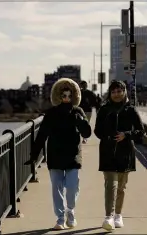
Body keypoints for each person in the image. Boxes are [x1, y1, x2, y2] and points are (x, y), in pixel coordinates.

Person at [24, 78, 91, 230]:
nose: (66, 98)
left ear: (73, 96)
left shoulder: (78, 112)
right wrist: (34, 155)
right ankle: (60, 218)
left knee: (73, 187)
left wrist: (79, 121)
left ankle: (70, 211)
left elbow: (87, 133)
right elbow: (42, 135)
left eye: (69, 95)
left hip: (73, 155)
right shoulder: (52, 113)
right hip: (55, 155)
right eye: (63, 95)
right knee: (57, 188)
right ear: (59, 96)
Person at [94, 80, 145, 231]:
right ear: (110, 94)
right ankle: (108, 217)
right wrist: (108, 136)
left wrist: (126, 135)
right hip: (108, 152)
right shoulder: (104, 110)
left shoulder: (131, 110)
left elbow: (141, 132)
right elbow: (97, 130)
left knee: (121, 188)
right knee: (111, 185)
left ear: (124, 92)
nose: (116, 94)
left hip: (125, 153)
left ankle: (118, 215)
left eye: (119, 91)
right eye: (113, 92)